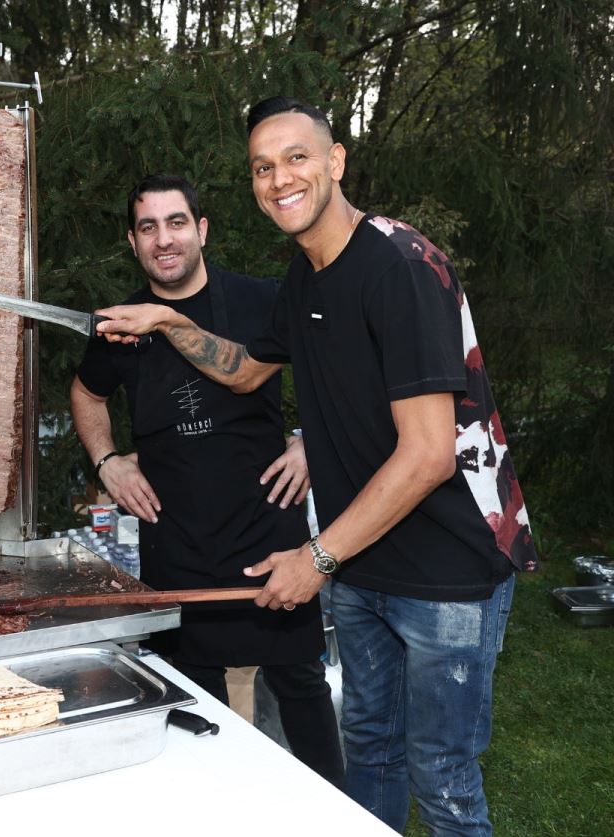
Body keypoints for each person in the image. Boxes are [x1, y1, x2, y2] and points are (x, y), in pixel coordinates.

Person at [94, 99, 536, 835]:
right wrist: (170, 321)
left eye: (296, 157)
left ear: (335, 162)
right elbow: (241, 370)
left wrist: (318, 556)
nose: (279, 178)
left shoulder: (398, 264)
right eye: (263, 167)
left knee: (445, 780)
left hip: (447, 566)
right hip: (366, 568)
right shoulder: (305, 277)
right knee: (371, 756)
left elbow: (429, 454)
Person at [71, 173, 344, 785]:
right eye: (148, 227)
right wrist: (108, 461)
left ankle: (332, 809)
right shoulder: (121, 324)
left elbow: (343, 371)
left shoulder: (261, 299)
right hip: (176, 537)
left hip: (266, 528)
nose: (163, 239)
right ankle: (212, 805)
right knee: (189, 697)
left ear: (201, 230)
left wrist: (310, 442)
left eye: (175, 223)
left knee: (300, 682)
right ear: (133, 242)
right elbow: (87, 394)